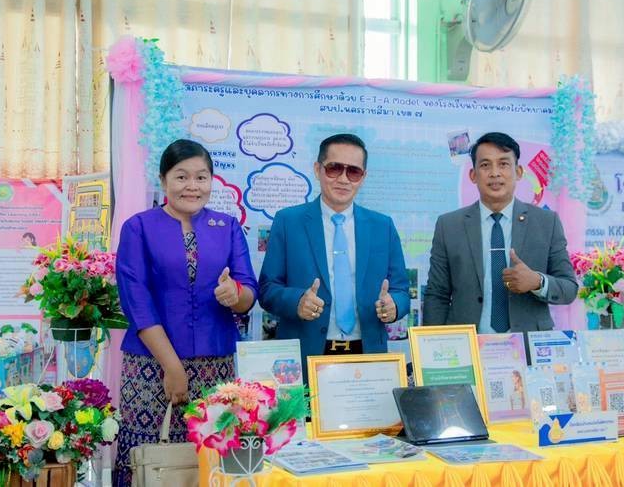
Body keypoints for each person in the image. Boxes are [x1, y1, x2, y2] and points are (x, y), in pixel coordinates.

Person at [113, 139, 258, 486]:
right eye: (181, 177)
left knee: (212, 460)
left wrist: (234, 294)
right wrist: (172, 367)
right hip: (151, 366)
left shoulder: (228, 227)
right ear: (163, 180)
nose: (192, 186)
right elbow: (137, 302)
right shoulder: (138, 227)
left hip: (216, 368)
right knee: (151, 463)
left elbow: (249, 293)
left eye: (201, 177)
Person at [259, 133, 409, 378]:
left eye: (353, 172)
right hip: (306, 357)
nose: (343, 179)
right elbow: (267, 289)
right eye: (334, 168)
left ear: (363, 177)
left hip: (368, 357)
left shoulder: (382, 226)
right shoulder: (288, 221)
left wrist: (394, 306)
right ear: (317, 169)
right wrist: (297, 301)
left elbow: (401, 290)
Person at [423, 132, 577, 332]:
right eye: (485, 165)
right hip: (468, 343)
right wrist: (432, 343)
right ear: (473, 175)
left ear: (518, 172)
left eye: (503, 164)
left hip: (527, 344)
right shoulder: (449, 225)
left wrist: (537, 282)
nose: (495, 173)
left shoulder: (546, 222)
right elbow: (437, 295)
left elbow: (569, 288)